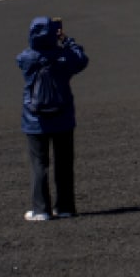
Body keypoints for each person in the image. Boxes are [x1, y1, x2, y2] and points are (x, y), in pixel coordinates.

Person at [17, 16, 89, 221]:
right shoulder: (65, 57)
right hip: (63, 118)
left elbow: (22, 58)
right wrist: (66, 40)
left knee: (39, 164)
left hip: (35, 120)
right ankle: (65, 207)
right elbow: (81, 59)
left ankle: (41, 210)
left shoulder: (26, 58)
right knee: (64, 163)